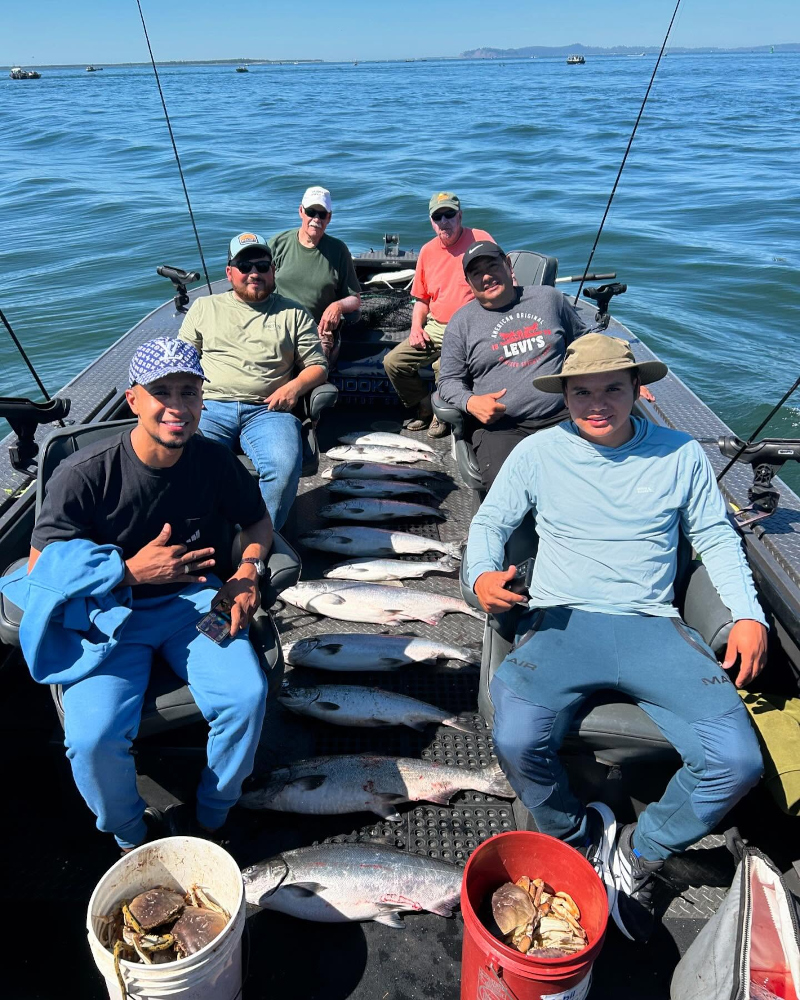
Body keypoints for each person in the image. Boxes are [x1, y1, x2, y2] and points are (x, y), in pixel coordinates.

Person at [466, 333, 766, 943]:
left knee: (737, 762)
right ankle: (575, 840)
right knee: (515, 735)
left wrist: (749, 615)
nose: (597, 402)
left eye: (612, 389)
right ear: (565, 396)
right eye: (582, 391)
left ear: (638, 390)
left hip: (654, 623)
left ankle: (640, 850)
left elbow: (715, 538)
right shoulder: (536, 452)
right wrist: (480, 576)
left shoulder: (681, 454)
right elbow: (490, 522)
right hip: (559, 621)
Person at [26, 338, 274, 851]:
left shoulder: (213, 461)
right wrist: (128, 572)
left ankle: (213, 814)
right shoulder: (83, 474)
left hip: (194, 605)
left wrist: (247, 571)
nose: (178, 406)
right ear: (133, 398)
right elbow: (41, 566)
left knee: (245, 696)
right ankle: (131, 837)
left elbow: (256, 520)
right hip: (107, 617)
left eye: (190, 391)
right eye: (162, 392)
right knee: (91, 739)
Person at [179, 232, 328, 529]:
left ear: (273, 271)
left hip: (268, 411)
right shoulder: (204, 308)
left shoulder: (294, 312)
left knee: (283, 468)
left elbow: (318, 366)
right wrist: (186, 400)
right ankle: (208, 537)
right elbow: (182, 361)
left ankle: (260, 541)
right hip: (209, 408)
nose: (254, 273)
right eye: (245, 266)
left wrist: (293, 387)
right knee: (185, 464)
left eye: (262, 266)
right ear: (229, 272)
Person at [438, 240, 587, 488]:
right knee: (509, 490)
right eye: (477, 273)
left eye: (492, 266)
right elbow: (448, 381)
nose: (486, 276)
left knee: (588, 475)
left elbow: (585, 342)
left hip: (564, 414)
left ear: (508, 266)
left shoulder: (550, 299)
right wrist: (471, 402)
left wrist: (619, 378)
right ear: (469, 282)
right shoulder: (461, 323)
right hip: (502, 428)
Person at [383, 192, 493, 438]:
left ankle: (440, 415)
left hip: (470, 327)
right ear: (432, 222)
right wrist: (415, 327)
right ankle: (424, 404)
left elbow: (501, 280)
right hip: (436, 325)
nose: (444, 221)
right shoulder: (427, 251)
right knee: (393, 363)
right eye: (438, 217)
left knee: (442, 366)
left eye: (449, 214)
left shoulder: (481, 239)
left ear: (460, 215)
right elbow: (422, 298)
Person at [269, 186, 361, 358]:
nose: (316, 219)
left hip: (316, 331)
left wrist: (337, 306)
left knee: (315, 368)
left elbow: (354, 299)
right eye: (311, 212)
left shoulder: (339, 250)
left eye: (322, 214)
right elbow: (259, 286)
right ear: (301, 211)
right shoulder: (277, 244)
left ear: (329, 218)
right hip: (276, 326)